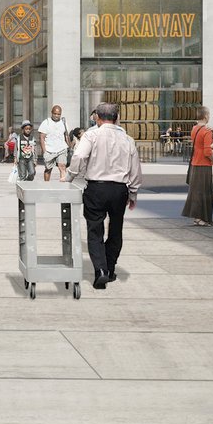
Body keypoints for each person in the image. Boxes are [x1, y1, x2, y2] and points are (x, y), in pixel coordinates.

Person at [70, 102, 143, 289]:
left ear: (97, 118)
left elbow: (79, 156)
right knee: (116, 229)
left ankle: (100, 270)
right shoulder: (127, 139)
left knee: (95, 230)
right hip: (119, 189)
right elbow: (135, 169)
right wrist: (133, 193)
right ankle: (110, 269)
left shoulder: (92, 135)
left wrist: (70, 175)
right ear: (116, 117)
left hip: (96, 188)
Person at [181, 106, 213, 226]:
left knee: (196, 192)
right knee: (205, 192)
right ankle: (203, 218)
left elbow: (199, 146)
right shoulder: (207, 131)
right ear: (206, 116)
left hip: (195, 163)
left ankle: (197, 217)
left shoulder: (194, 129)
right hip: (204, 165)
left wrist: (211, 147)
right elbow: (207, 152)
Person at [38, 104, 72, 182]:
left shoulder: (63, 122)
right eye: (55, 113)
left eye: (58, 114)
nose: (56, 115)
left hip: (61, 149)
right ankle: (46, 185)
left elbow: (66, 135)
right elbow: (41, 138)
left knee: (62, 166)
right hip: (49, 150)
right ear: (51, 113)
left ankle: (63, 185)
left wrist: (69, 146)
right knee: (48, 169)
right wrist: (44, 152)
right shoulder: (46, 122)